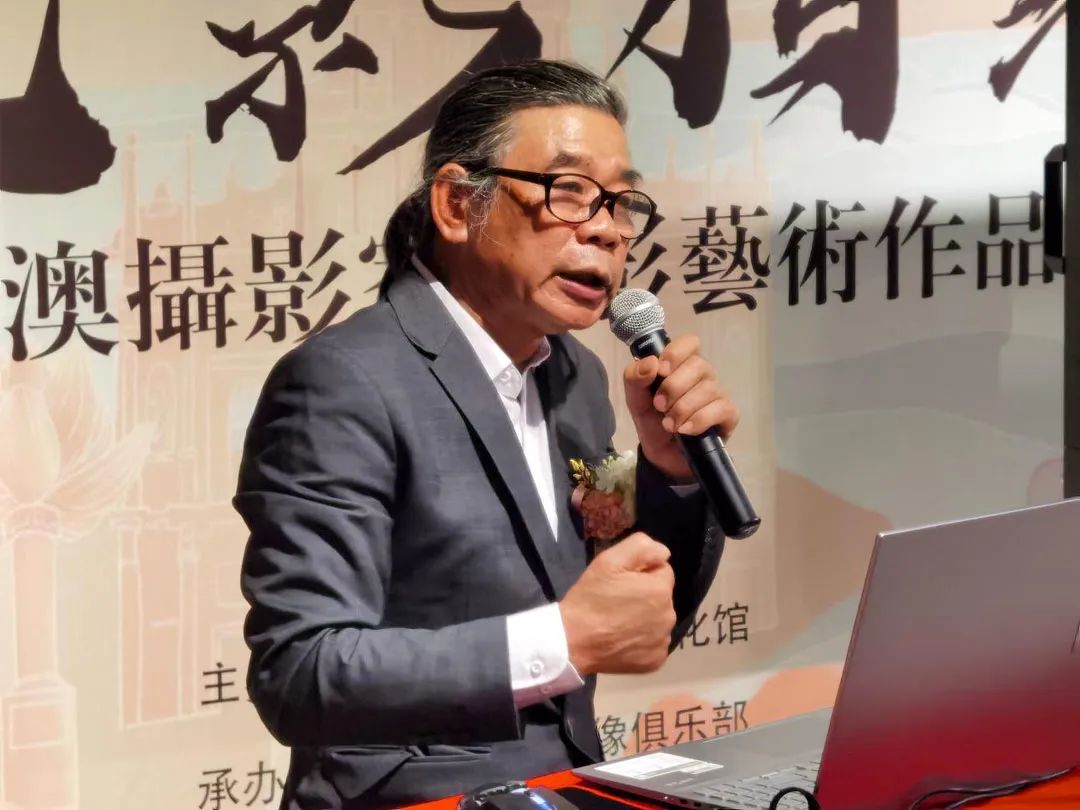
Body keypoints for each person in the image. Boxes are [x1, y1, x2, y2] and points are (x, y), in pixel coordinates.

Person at [235, 60, 739, 809]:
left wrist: (676, 474)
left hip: (564, 789)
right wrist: (563, 639)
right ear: (455, 204)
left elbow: (636, 626)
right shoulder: (344, 380)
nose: (605, 229)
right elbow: (299, 674)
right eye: (569, 192)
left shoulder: (575, 375)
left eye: (620, 202)